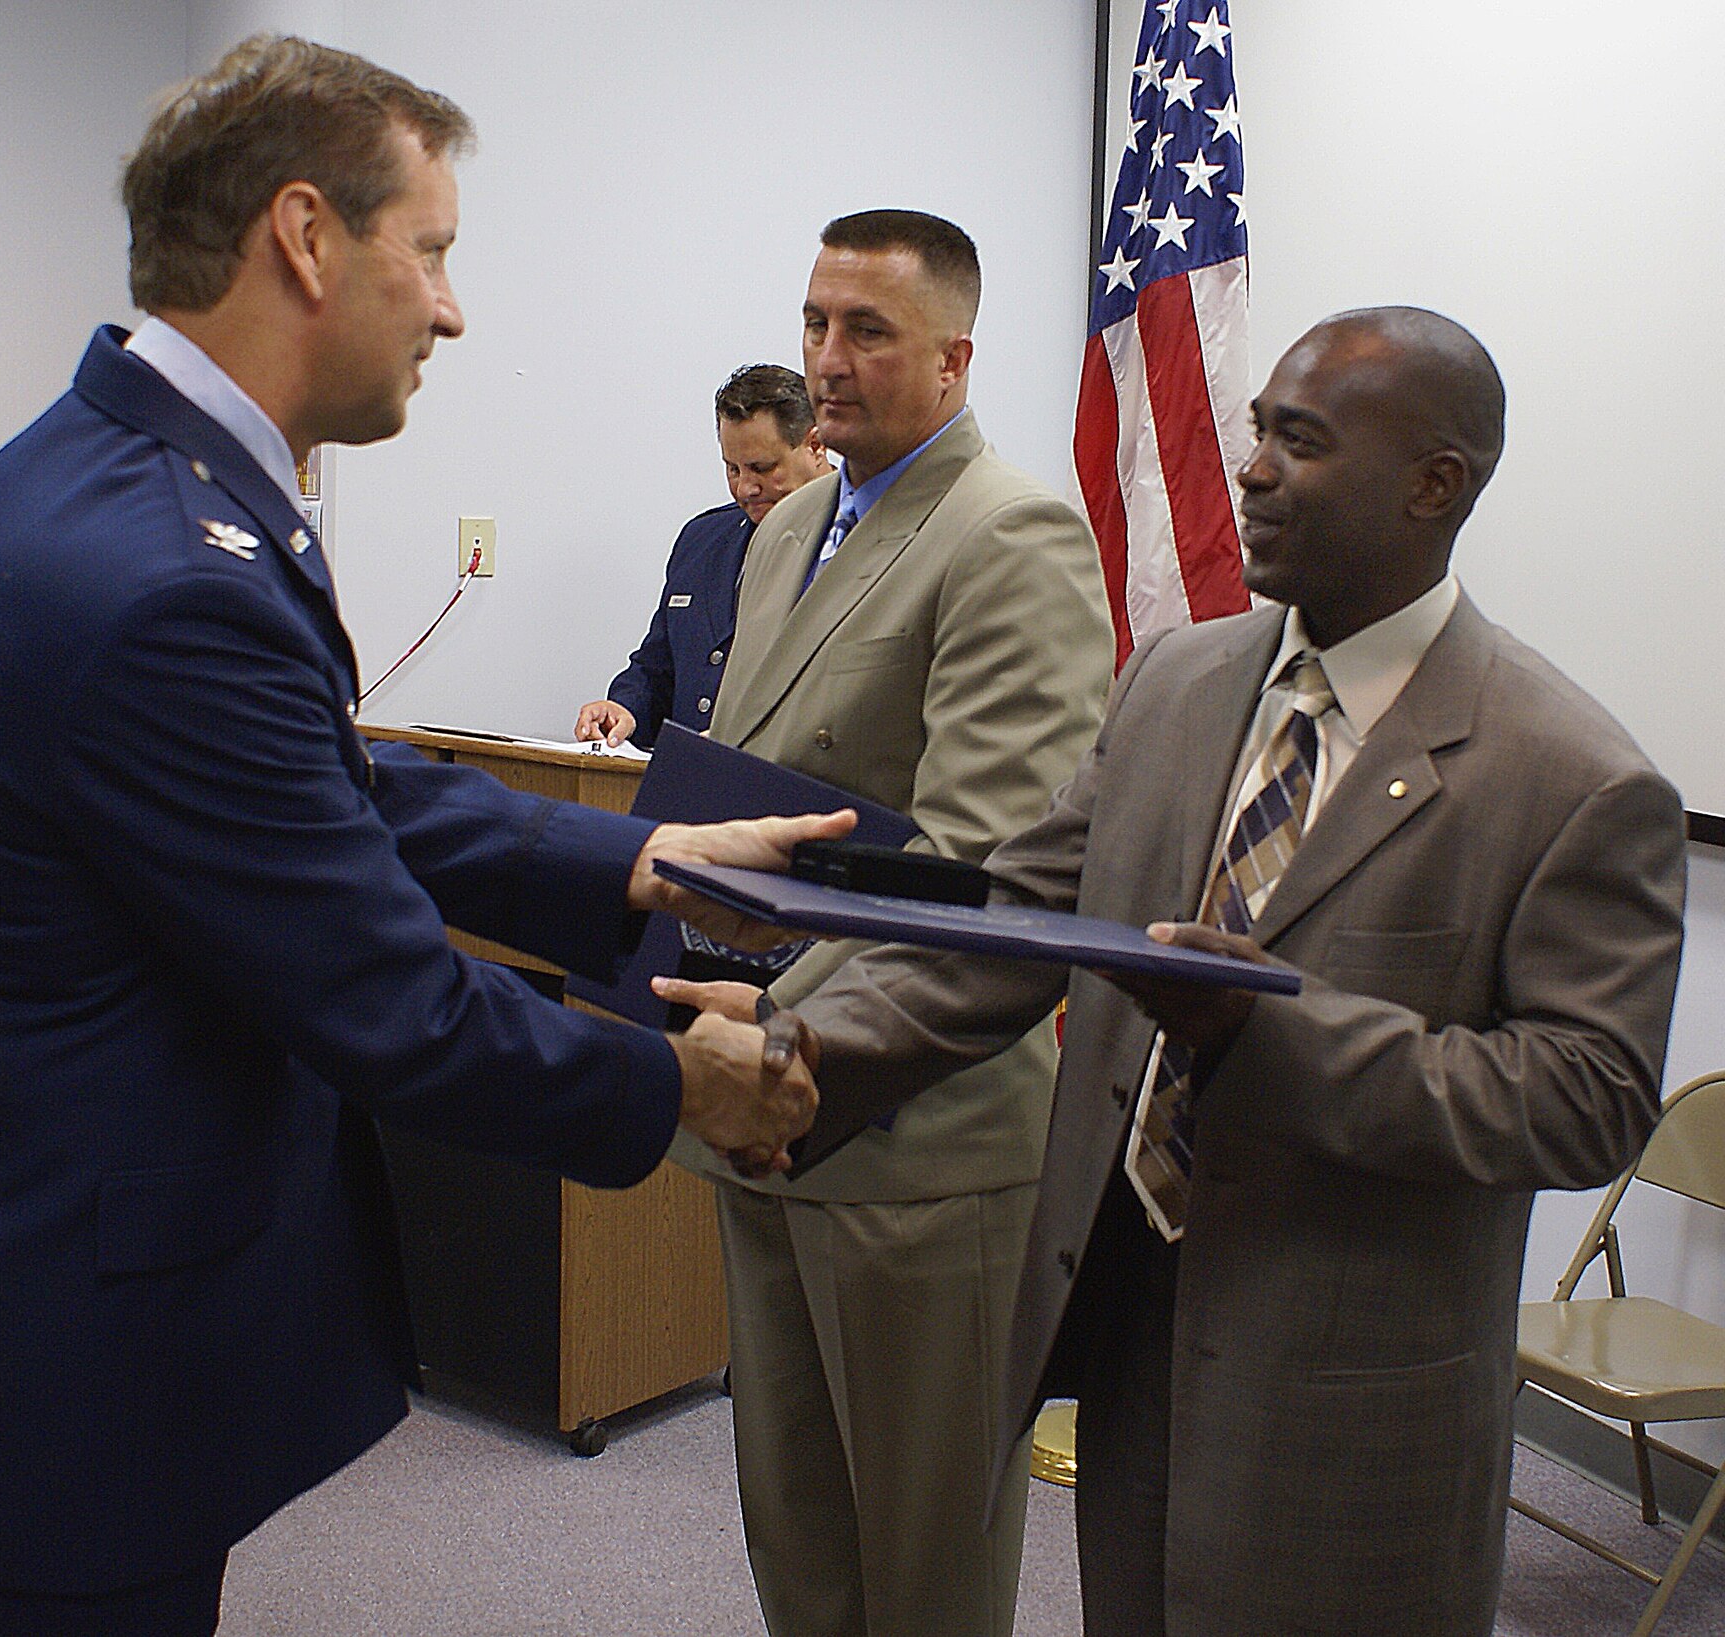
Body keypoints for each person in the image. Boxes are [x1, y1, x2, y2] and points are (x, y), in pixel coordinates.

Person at [0, 36, 843, 1635]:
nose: (450, 305)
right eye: (429, 250)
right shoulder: (168, 563)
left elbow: (319, 783)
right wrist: (677, 1080)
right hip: (51, 1386)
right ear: (304, 236)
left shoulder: (103, 468)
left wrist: (639, 862)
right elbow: (392, 1005)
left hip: (43, 1306)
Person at [674, 307, 1689, 1636]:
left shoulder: (1572, 777)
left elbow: (1588, 1095)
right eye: (1260, 427)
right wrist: (817, 1059)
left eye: (1301, 441)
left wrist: (1272, 1036)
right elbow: (1017, 913)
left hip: (1350, 1405)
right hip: (1135, 1333)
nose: (1253, 467)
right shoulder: (1178, 681)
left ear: (1435, 484)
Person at [667, 210, 1115, 1637]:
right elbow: (755, 797)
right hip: (762, 1108)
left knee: (923, 1575)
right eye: (815, 324)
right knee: (797, 1542)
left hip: (916, 1136)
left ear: (954, 358)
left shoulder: (1010, 533)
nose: (828, 360)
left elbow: (983, 874)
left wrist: (775, 1019)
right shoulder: (790, 519)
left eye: (868, 332)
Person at [574, 363, 830, 749]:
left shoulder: (859, 541)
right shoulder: (703, 540)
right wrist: (624, 709)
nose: (746, 488)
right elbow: (657, 667)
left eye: (762, 468)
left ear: (815, 445)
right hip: (690, 787)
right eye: (732, 469)